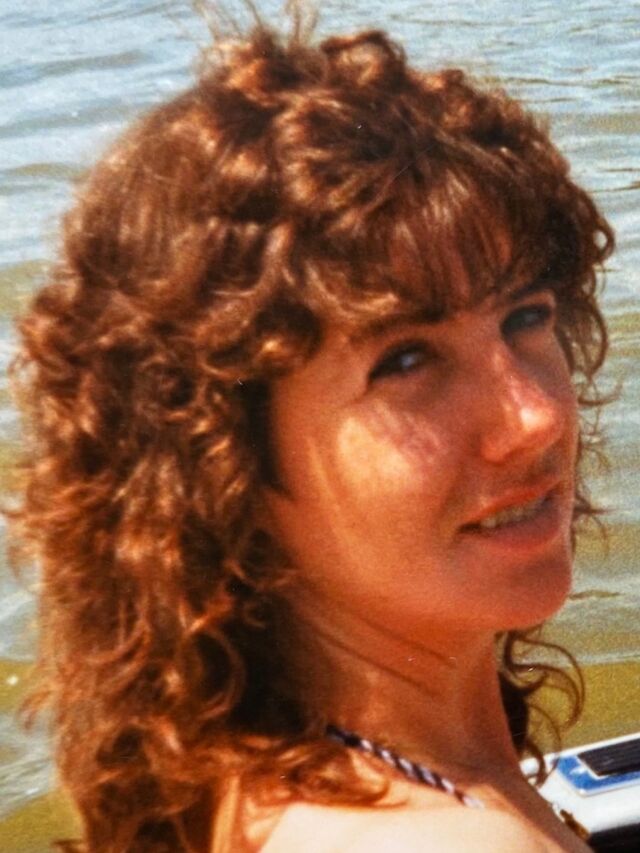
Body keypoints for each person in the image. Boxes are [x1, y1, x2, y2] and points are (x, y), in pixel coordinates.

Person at [8, 11, 614, 853]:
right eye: (405, 360)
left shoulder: (268, 777)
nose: (536, 416)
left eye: (526, 316)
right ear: (223, 468)